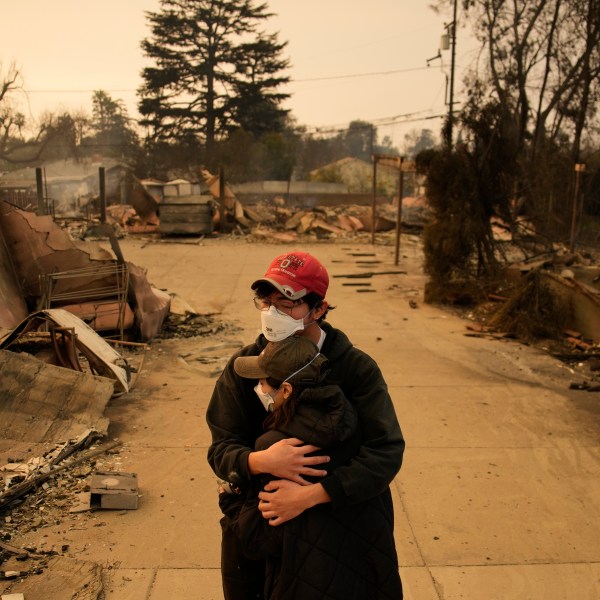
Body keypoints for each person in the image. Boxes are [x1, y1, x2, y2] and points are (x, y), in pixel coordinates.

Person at [206, 250, 405, 600]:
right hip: (264, 530)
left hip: (345, 530)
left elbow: (385, 452)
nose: (272, 314)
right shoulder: (243, 366)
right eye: (266, 302)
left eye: (287, 303)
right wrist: (260, 461)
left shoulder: (355, 368)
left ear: (319, 309)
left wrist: (309, 496)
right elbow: (222, 446)